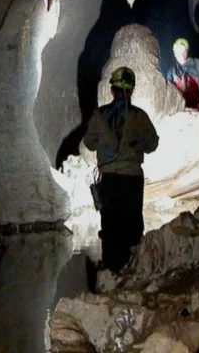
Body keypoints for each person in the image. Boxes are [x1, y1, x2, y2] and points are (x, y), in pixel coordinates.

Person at [82, 66, 159, 273]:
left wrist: (104, 141)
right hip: (132, 178)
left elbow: (89, 143)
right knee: (132, 225)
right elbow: (152, 144)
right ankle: (132, 270)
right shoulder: (139, 117)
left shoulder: (100, 115)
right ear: (131, 90)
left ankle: (111, 270)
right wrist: (136, 144)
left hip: (109, 179)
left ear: (112, 90)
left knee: (110, 226)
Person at [165, 38, 199, 111]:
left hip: (197, 106)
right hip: (181, 107)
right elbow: (168, 89)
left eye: (183, 52)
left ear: (187, 51)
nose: (181, 55)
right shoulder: (172, 71)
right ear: (175, 54)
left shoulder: (197, 64)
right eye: (178, 52)